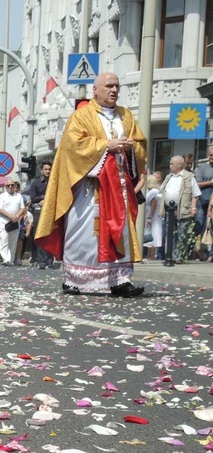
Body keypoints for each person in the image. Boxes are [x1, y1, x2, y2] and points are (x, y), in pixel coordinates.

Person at [35, 72, 147, 297]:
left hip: (118, 188)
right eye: (109, 86)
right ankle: (74, 279)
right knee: (83, 233)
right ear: (96, 90)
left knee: (120, 232)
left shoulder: (126, 116)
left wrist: (130, 148)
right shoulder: (82, 116)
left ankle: (119, 281)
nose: (114, 90)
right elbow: (71, 147)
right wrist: (107, 145)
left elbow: (140, 144)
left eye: (117, 86)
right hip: (90, 187)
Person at [160, 155, 200, 264]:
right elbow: (161, 191)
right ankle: (169, 255)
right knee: (169, 234)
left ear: (180, 165)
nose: (170, 165)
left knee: (182, 234)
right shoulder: (169, 177)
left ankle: (179, 257)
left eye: (172, 164)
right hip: (169, 210)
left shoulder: (189, 177)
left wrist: (193, 208)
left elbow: (195, 194)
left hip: (182, 210)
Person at [28, 162, 53, 269]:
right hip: (39, 211)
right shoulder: (36, 183)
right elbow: (33, 198)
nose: (48, 171)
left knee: (50, 236)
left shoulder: (54, 182)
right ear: (41, 171)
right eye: (46, 169)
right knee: (40, 235)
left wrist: (48, 200)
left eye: (49, 169)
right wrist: (43, 198)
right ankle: (41, 261)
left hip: (51, 212)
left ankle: (49, 261)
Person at [0, 178, 26, 266]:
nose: (10, 187)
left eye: (12, 185)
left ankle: (11, 259)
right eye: (8, 185)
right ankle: (6, 258)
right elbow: (0, 209)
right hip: (4, 222)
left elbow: (22, 208)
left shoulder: (19, 196)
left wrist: (16, 216)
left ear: (15, 186)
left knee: (13, 241)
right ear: (5, 187)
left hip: (15, 222)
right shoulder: (2, 196)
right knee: (4, 239)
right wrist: (11, 216)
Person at [195, 145, 213, 261]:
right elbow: (197, 184)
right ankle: (197, 251)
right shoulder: (202, 167)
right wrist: (210, 182)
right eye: (210, 155)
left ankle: (211, 253)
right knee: (199, 225)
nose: (211, 157)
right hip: (202, 201)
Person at [143, 173, 162, 260]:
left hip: (152, 215)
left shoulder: (153, 192)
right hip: (153, 214)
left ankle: (151, 254)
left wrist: (150, 216)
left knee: (152, 233)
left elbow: (153, 204)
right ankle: (150, 254)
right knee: (151, 233)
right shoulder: (155, 191)